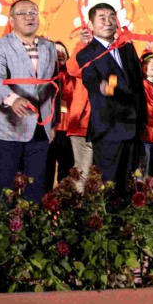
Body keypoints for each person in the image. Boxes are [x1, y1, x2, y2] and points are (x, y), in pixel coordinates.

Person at [0, 0, 58, 209]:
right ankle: (2, 228)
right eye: (22, 13)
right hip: (9, 127)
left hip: (41, 128)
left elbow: (55, 86)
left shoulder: (49, 46)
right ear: (11, 20)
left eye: (33, 12)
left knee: (35, 188)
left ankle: (31, 228)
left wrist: (53, 123)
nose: (29, 17)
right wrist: (12, 99)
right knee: (5, 188)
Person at [77, 3, 146, 194]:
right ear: (90, 25)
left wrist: (143, 119)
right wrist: (101, 87)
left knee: (130, 185)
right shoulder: (86, 53)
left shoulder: (127, 49)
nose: (107, 22)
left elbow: (138, 87)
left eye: (112, 18)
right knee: (108, 185)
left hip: (132, 127)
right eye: (101, 18)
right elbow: (90, 79)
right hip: (108, 128)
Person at [65, 29, 93, 188]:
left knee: (101, 175)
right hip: (81, 126)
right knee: (82, 174)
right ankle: (79, 203)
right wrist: (82, 43)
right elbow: (72, 68)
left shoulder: (109, 61)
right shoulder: (80, 71)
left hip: (104, 127)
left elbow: (113, 86)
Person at [45, 41, 75, 188]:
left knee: (66, 171)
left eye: (62, 51)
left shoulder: (73, 76)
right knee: (46, 171)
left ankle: (64, 201)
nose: (59, 54)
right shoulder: (44, 76)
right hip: (48, 129)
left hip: (67, 130)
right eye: (55, 51)